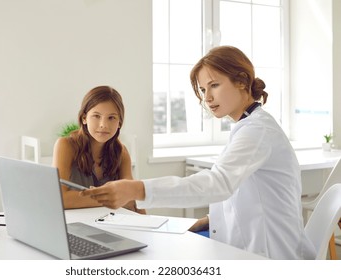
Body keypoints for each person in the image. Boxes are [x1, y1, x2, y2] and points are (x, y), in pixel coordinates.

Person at [81, 46, 316, 259]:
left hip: (269, 257)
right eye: (203, 89)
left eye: (214, 85)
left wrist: (137, 189)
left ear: (242, 81)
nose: (207, 97)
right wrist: (208, 221)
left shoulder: (257, 131)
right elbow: (246, 196)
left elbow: (218, 184)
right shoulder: (247, 127)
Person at [52, 85, 145, 213]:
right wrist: (114, 197)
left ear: (119, 123)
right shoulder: (65, 146)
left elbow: (131, 200)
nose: (103, 125)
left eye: (111, 118)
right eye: (96, 116)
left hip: (111, 225)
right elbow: (59, 198)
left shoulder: (121, 152)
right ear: (84, 118)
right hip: (76, 226)